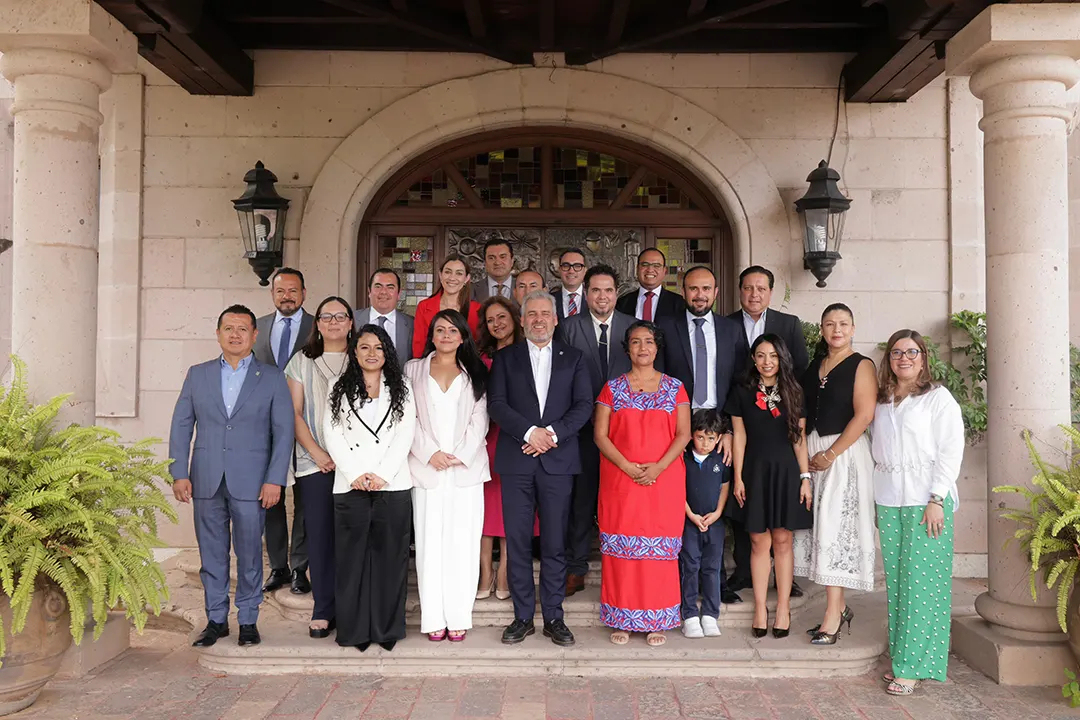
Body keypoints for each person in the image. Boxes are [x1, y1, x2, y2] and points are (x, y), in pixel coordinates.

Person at [168, 305, 294, 648]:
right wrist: (179, 472)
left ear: (254, 335)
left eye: (242, 329)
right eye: (228, 328)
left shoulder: (272, 377)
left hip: (253, 482)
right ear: (218, 334)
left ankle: (249, 620)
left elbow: (283, 432)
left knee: (250, 554)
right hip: (206, 478)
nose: (235, 334)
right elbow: (181, 425)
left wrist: (275, 479)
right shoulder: (198, 374)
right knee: (212, 554)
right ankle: (216, 620)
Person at [487, 291, 593, 647]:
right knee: (517, 542)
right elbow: (497, 404)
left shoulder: (574, 358)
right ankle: (522, 617)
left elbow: (583, 406)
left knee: (554, 542)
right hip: (517, 460)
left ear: (555, 319)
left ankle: (553, 617)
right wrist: (530, 432)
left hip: (558, 463)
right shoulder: (506, 358)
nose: (538, 319)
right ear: (522, 320)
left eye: (545, 313)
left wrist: (551, 435)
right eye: (531, 314)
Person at [872, 330, 963, 696]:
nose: (904, 358)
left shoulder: (938, 398)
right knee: (898, 583)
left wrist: (937, 497)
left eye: (911, 352)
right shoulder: (882, 401)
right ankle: (902, 659)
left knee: (923, 584)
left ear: (923, 358)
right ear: (889, 360)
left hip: (928, 501)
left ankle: (914, 666)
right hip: (889, 499)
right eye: (897, 352)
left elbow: (951, 450)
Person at [594, 321, 691, 647]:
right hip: (621, 480)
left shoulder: (675, 387)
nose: (643, 347)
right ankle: (622, 618)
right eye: (635, 342)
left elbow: (683, 434)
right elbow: (600, 435)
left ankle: (656, 619)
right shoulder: (612, 388)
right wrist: (627, 466)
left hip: (663, 480)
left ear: (657, 347)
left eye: (648, 341)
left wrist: (657, 468)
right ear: (627, 349)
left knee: (658, 553)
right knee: (622, 551)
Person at [322, 324, 417, 652]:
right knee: (352, 562)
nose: (372, 353)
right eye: (364, 347)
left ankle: (386, 629)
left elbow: (405, 433)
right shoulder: (337, 386)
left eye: (378, 347)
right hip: (351, 485)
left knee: (390, 560)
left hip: (392, 484)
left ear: (387, 352)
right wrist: (354, 473)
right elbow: (331, 432)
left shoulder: (403, 386)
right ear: (355, 351)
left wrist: (382, 474)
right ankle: (354, 631)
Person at [657, 265, 747, 603]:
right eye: (693, 288)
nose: (700, 295)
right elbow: (661, 378)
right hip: (679, 423)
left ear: (716, 292)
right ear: (683, 291)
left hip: (718, 425)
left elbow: (739, 381)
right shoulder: (667, 327)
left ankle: (716, 582)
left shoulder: (731, 329)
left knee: (713, 500)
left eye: (706, 289)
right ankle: (680, 580)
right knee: (680, 499)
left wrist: (728, 429)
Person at [794, 303, 877, 644]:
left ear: (853, 328)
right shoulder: (815, 366)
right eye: (830, 324)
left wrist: (830, 454)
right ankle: (839, 607)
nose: (836, 329)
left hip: (843, 453)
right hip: (814, 453)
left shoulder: (862, 365)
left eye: (843, 323)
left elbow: (864, 415)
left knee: (835, 529)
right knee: (821, 530)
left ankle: (831, 616)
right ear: (822, 329)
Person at [405, 310, 490, 642]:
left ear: (463, 336)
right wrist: (430, 453)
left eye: (453, 330)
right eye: (439, 329)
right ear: (431, 335)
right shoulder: (413, 370)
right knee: (430, 544)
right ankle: (434, 618)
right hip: (427, 468)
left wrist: (460, 454)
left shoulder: (475, 370)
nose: (445, 335)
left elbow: (481, 418)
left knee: (463, 543)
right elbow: (406, 416)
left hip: (465, 469)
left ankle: (458, 615)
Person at [725, 265, 809, 600]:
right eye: (748, 288)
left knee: (782, 527)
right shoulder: (726, 324)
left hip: (781, 424)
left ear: (770, 292)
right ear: (740, 290)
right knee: (749, 511)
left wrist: (789, 408)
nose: (754, 294)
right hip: (743, 415)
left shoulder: (788, 324)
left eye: (761, 288)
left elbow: (799, 369)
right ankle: (744, 570)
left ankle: (783, 579)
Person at [726, 334, 812, 639]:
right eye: (761, 355)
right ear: (753, 358)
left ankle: (784, 608)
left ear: (782, 358)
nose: (767, 362)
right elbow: (739, 436)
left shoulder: (794, 391)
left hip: (786, 471)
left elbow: (799, 439)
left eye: (773, 356)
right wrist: (738, 476)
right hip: (754, 471)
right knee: (758, 541)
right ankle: (760, 608)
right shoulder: (742, 390)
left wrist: (805, 478)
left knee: (783, 540)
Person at [558, 264, 634, 596]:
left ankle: (625, 566)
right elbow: (561, 379)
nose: (602, 297)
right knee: (581, 499)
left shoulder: (634, 327)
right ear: (586, 293)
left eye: (608, 290)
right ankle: (575, 567)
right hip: (582, 430)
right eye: (596, 290)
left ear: (616, 294)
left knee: (623, 502)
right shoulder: (568, 328)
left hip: (625, 431)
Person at [284, 296, 355, 639]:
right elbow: (294, 413)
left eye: (340, 316)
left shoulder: (363, 356)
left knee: (354, 537)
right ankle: (323, 608)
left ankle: (353, 607)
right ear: (317, 324)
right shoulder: (302, 360)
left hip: (356, 464)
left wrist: (349, 457)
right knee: (321, 535)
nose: (333, 322)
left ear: (351, 323)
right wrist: (318, 453)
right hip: (315, 464)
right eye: (326, 316)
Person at [253, 267, 314, 596]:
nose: (287, 296)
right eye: (281, 291)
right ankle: (278, 566)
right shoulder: (257, 327)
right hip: (265, 426)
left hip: (307, 423)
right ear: (272, 294)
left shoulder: (318, 326)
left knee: (305, 496)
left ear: (304, 293)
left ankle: (300, 567)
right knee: (270, 496)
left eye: (293, 290)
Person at [475, 296, 532, 601]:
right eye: (490, 320)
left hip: (519, 439)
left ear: (515, 319)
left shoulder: (529, 354)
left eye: (502, 317)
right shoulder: (479, 357)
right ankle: (485, 571)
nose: (496, 324)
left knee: (512, 507)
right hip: (484, 439)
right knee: (485, 508)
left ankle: (506, 572)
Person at [679, 409, 730, 639]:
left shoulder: (721, 459)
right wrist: (690, 514)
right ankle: (689, 616)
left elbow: (725, 486)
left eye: (710, 438)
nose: (705, 443)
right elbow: (677, 488)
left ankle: (710, 614)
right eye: (700, 437)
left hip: (714, 523)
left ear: (718, 438)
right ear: (692, 435)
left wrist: (718, 512)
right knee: (690, 566)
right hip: (689, 522)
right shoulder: (683, 458)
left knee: (712, 567)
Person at [413, 254, 482, 358]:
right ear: (440, 275)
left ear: (466, 278)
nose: (452, 278)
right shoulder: (424, 306)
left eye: (459, 273)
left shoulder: (477, 309)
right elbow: (419, 345)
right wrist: (420, 365)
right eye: (447, 272)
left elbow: (479, 346)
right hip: (431, 364)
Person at [354, 267, 414, 365]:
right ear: (369, 292)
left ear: (399, 294)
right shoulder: (352, 320)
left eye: (390, 287)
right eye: (378, 286)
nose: (383, 292)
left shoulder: (412, 324)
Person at [615, 248, 682, 323]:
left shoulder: (679, 303)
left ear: (664, 271)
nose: (650, 270)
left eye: (656, 265)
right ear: (637, 269)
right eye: (645, 265)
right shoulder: (622, 303)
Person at [551, 248, 587, 321]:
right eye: (566, 266)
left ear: (585, 271)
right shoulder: (549, 300)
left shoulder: (594, 300)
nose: (571, 271)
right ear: (559, 270)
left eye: (577, 266)